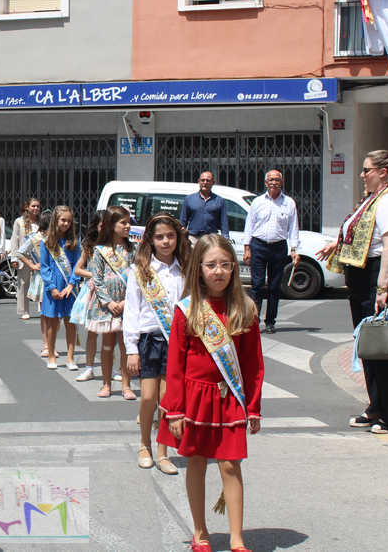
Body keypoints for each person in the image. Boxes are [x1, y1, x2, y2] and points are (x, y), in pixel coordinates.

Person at [159, 234, 264, 552]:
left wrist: (253, 406)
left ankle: (237, 538)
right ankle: (200, 531)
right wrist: (175, 409)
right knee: (196, 462)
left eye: (225, 264)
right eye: (211, 265)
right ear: (199, 269)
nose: (218, 271)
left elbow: (253, 363)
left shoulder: (244, 308)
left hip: (229, 397)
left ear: (234, 268)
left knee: (231, 464)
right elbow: (175, 364)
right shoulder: (188, 309)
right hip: (194, 399)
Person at [316, 149, 388, 434]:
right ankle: (377, 406)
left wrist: (383, 287)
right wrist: (336, 245)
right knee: (372, 347)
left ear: (383, 173)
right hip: (368, 277)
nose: (362, 175)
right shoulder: (372, 200)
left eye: (366, 170)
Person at [126, 213, 190, 475]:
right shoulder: (141, 271)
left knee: (167, 399)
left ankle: (163, 451)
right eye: (160, 237)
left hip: (175, 341)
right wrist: (131, 349)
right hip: (149, 339)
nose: (166, 241)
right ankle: (144, 445)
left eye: (170, 236)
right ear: (151, 240)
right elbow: (132, 310)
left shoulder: (184, 269)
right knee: (148, 397)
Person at [241, 169, 300, 334]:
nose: (274, 182)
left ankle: (270, 322)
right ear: (266, 183)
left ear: (281, 182)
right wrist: (247, 248)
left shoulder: (289, 203)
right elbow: (249, 225)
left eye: (277, 179)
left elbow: (293, 227)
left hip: (278, 248)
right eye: (271, 180)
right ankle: (253, 320)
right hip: (258, 246)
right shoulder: (258, 202)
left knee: (274, 287)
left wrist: (294, 249)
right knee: (257, 285)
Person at [88, 207, 137, 398]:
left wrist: (126, 302)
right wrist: (108, 302)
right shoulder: (100, 251)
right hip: (106, 306)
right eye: (123, 222)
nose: (127, 226)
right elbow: (97, 279)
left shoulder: (133, 250)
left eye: (128, 222)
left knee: (126, 346)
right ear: (111, 225)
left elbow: (138, 278)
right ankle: (106, 384)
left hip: (127, 304)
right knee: (107, 345)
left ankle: (126, 385)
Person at [40, 206, 81, 369]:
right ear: (55, 221)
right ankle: (51, 356)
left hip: (69, 289)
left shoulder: (74, 243)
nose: (66, 224)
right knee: (52, 323)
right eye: (63, 220)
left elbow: (77, 265)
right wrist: (51, 288)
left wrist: (71, 284)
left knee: (70, 323)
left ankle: (70, 358)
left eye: (69, 221)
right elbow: (44, 267)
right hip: (53, 289)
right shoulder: (46, 243)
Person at [72, 212, 105, 378]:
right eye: (102, 225)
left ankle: (111, 368)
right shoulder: (89, 245)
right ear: (96, 226)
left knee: (111, 334)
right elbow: (77, 269)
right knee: (92, 332)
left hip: (111, 292)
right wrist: (93, 275)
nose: (105, 228)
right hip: (93, 292)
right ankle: (89, 367)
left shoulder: (116, 245)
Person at [16, 210, 52, 355]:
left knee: (54, 315)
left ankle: (51, 344)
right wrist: (32, 265)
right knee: (45, 313)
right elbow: (19, 252)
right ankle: (46, 345)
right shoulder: (36, 238)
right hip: (42, 278)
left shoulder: (57, 238)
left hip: (55, 277)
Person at [10, 198, 41, 319]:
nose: (36, 208)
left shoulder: (41, 222)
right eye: (33, 206)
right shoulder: (19, 221)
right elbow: (15, 240)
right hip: (24, 257)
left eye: (37, 206)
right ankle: (24, 310)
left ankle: (42, 308)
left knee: (40, 283)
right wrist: (14, 258)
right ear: (27, 207)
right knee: (23, 284)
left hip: (38, 257)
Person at [180, 171, 229, 239]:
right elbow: (183, 221)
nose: (205, 182)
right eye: (202, 180)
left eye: (208, 180)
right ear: (199, 181)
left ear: (213, 183)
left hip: (211, 239)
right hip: (193, 238)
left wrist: (226, 238)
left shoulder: (220, 201)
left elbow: (224, 223)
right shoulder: (189, 199)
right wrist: (181, 238)